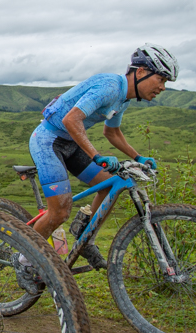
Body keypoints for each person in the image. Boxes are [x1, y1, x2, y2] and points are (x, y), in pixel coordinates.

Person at [27, 45, 178, 270]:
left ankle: (85, 236)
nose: (162, 88)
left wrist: (138, 156)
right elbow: (71, 120)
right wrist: (97, 156)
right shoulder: (110, 87)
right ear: (140, 72)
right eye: (161, 79)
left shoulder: (123, 99)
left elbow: (112, 132)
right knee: (59, 212)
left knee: (108, 186)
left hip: (71, 142)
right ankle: (25, 261)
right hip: (48, 140)